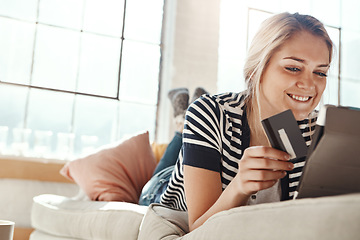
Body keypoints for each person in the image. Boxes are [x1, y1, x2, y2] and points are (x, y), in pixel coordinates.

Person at [159, 12, 334, 231]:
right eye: (293, 68)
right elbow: (198, 229)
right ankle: (181, 122)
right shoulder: (210, 112)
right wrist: (239, 186)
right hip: (164, 189)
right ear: (255, 70)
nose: (310, 85)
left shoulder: (318, 131)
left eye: (320, 72)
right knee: (182, 136)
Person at [139, 87, 208, 206]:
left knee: (163, 177)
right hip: (160, 189)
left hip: (158, 188)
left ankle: (184, 122)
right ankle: (187, 121)